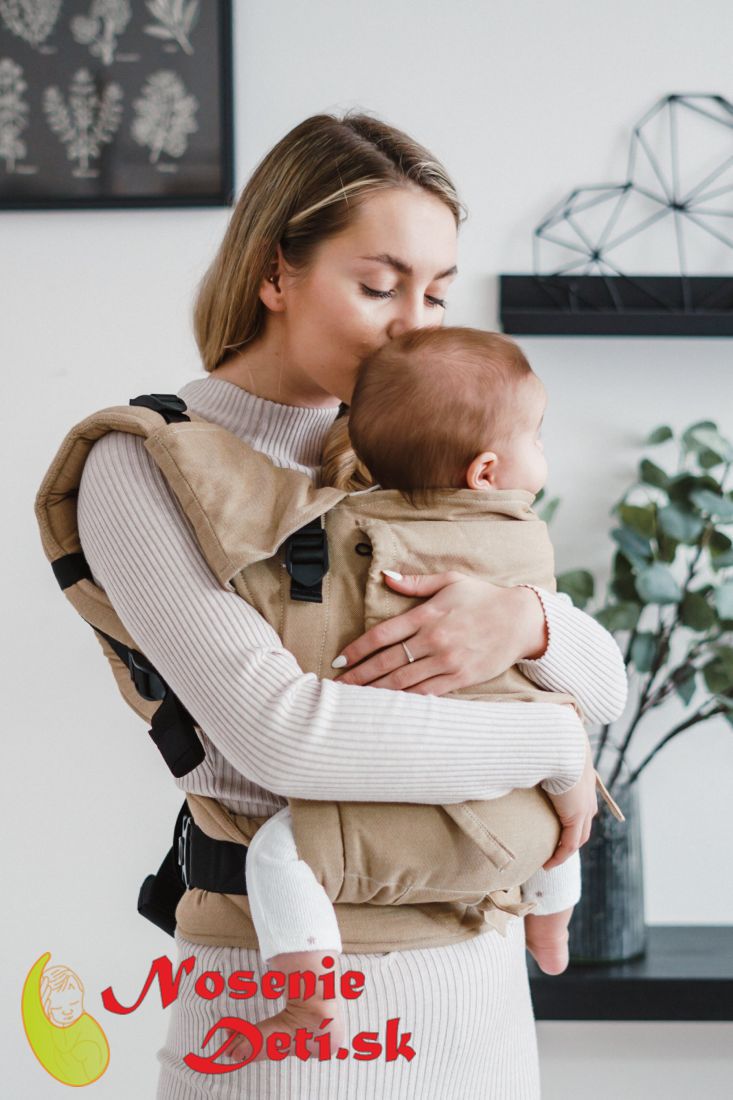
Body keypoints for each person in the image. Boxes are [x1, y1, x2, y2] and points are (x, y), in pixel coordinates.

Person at [76, 111, 628, 1099]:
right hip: (282, 1024)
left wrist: (528, 623)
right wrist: (551, 743)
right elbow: (285, 738)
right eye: (379, 286)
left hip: (482, 993)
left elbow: (605, 678)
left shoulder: (419, 444)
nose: (416, 324)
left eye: (438, 292)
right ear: (275, 271)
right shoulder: (143, 463)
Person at [238, 325, 600, 1061]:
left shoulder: (338, 529)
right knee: (570, 816)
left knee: (276, 853)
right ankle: (551, 919)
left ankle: (308, 991)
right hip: (527, 819)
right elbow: (592, 702)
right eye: (537, 433)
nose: (544, 453)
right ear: (487, 471)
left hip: (398, 816)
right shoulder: (526, 543)